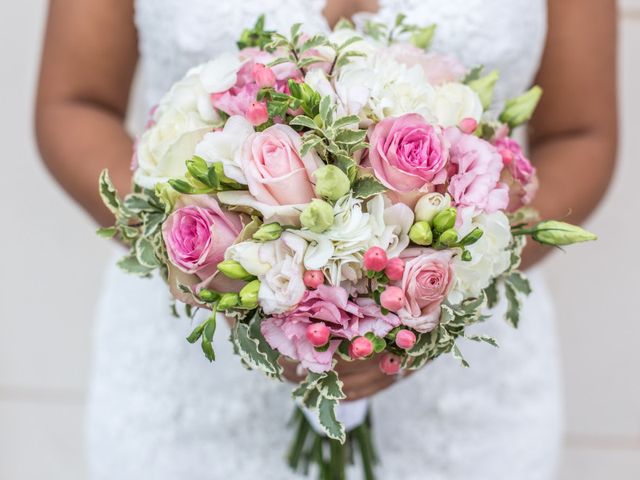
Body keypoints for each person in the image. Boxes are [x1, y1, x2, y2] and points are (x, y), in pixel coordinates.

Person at [35, 0, 617, 478]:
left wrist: (434, 290)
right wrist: (209, 255)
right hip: (187, 387)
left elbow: (579, 133)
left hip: (465, 412)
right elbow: (75, 103)